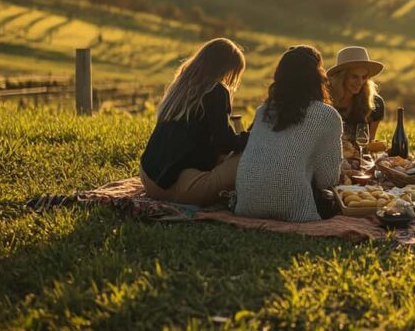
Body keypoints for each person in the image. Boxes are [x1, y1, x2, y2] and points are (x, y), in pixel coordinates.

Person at [233, 45, 342, 222]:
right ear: (317, 77)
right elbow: (328, 180)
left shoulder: (263, 111)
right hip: (295, 210)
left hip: (246, 204)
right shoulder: (327, 115)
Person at [140, 38, 249, 206]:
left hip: (148, 179)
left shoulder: (179, 86)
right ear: (226, 68)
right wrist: (250, 138)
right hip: (181, 187)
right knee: (247, 157)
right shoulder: (215, 91)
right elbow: (225, 143)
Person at [327, 46, 385, 141]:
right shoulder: (325, 100)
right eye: (354, 77)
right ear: (342, 77)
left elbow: (369, 143)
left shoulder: (376, 104)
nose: (360, 82)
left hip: (358, 155)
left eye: (364, 77)